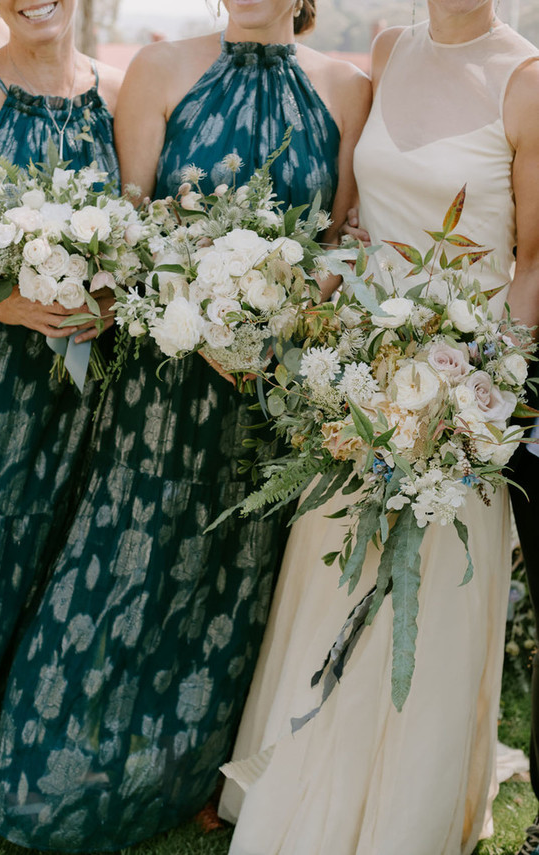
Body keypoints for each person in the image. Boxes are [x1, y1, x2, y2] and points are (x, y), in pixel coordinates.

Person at [0, 0, 371, 850]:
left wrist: (283, 325)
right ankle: (53, 766)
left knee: (228, 574)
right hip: (161, 379)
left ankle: (183, 770)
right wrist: (201, 311)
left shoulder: (346, 87)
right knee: (124, 558)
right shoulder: (160, 73)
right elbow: (130, 227)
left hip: (271, 393)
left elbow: (341, 237)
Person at [219, 3, 539, 854]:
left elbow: (534, 262)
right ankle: (309, 784)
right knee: (335, 580)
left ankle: (402, 814)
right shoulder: (391, 47)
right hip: (358, 375)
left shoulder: (527, 82)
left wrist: (480, 399)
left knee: (425, 608)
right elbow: (353, 216)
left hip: (454, 393)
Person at [0, 0, 121, 792]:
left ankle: (6, 738)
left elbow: (143, 235)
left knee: (42, 554)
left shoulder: (116, 96)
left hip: (78, 395)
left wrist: (112, 293)